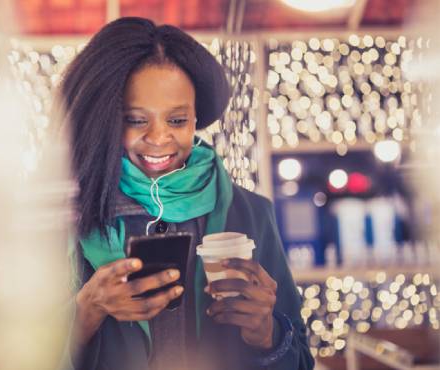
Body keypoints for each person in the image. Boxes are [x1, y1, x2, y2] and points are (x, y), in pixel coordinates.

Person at [56, 17, 315, 370]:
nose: (159, 138)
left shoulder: (252, 213)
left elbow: (301, 361)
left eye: (177, 121)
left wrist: (267, 333)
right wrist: (87, 311)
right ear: (108, 120)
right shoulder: (65, 218)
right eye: (136, 119)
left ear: (196, 119)